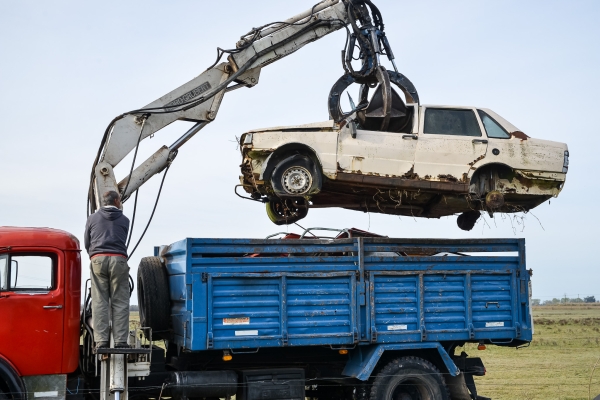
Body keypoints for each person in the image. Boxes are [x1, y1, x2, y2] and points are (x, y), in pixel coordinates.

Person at [84, 190, 130, 349]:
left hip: (98, 259)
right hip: (118, 259)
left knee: (99, 300)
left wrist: (94, 255)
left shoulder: (92, 218)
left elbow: (87, 241)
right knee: (120, 300)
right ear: (117, 201)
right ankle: (120, 342)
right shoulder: (125, 220)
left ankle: (101, 341)